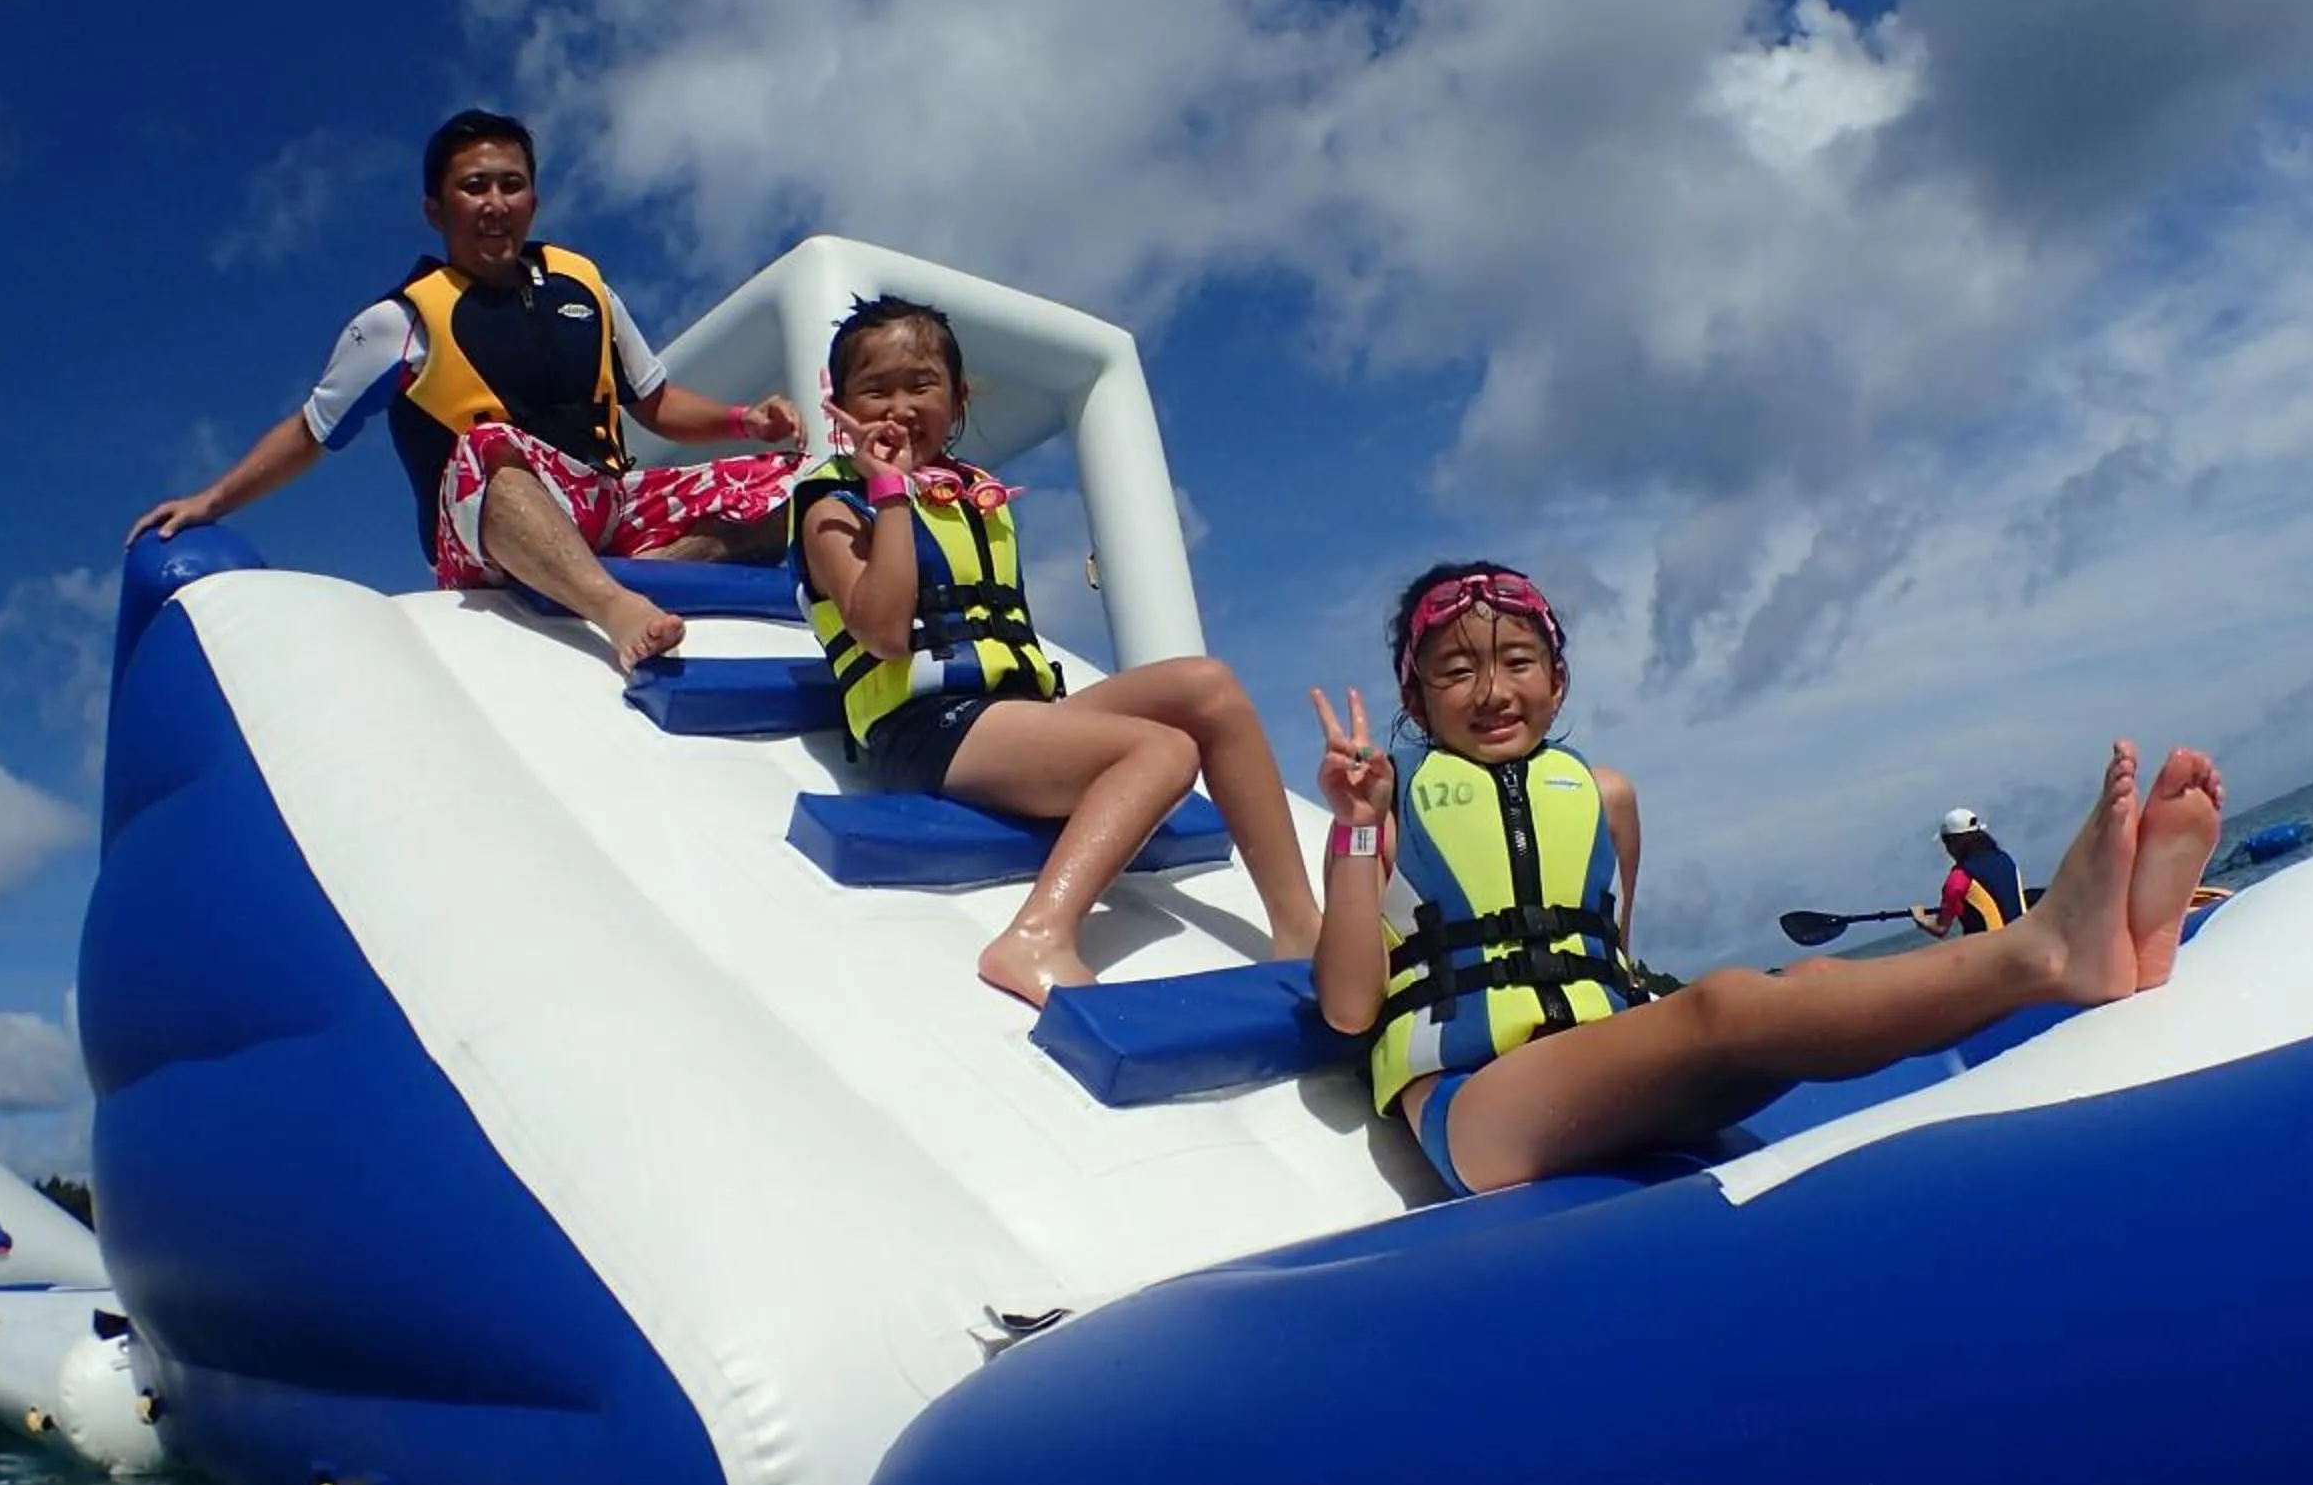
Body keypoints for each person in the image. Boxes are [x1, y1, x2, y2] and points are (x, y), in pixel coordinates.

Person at [1308, 562, 2226, 1199]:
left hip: (1602, 1079)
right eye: (1456, 671)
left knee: (1799, 990)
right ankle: (2054, 948)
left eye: (1517, 662)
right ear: (1415, 700)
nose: (1492, 690)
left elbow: (1608, 961)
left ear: (1557, 679)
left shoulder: (1605, 799)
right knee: (1726, 1010)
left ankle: (2105, 950)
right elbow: (1351, 1009)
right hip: (1482, 1113)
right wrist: (1353, 833)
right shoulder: (1381, 810)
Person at [128, 111, 806, 670]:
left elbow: (656, 403)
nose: (494, 204)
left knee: (794, 483)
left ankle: (640, 573)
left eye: (511, 186)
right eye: (474, 187)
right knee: (484, 447)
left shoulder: (587, 290)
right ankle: (613, 607)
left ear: (533, 200)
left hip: (607, 507)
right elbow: (311, 432)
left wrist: (750, 418)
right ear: (436, 208)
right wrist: (210, 500)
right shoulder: (400, 323)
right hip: (487, 531)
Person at [795, 295, 1322, 1006]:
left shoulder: (971, 497)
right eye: (874, 389)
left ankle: (1299, 930)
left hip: (1009, 714)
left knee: (1209, 686)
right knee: (1161, 752)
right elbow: (884, 633)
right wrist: (888, 496)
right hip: (924, 731)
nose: (898, 405)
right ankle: (1036, 936)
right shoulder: (833, 506)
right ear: (842, 409)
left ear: (958, 398)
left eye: (919, 383)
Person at [1912, 807, 2032, 937]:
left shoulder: (1958, 879)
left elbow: (1940, 928)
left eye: (1945, 843)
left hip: (1991, 953)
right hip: (2025, 941)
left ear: (1953, 843)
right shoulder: (2005, 859)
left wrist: (1921, 918)